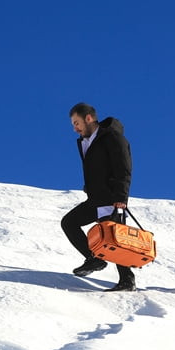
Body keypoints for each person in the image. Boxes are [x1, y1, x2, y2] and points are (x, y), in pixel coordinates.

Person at [61, 102, 137, 292]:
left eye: (76, 123)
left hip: (111, 198)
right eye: (73, 124)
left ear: (89, 118)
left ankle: (127, 280)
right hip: (95, 197)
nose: (75, 128)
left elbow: (123, 168)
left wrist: (121, 197)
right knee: (69, 222)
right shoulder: (84, 141)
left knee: (114, 237)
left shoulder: (112, 137)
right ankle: (95, 259)